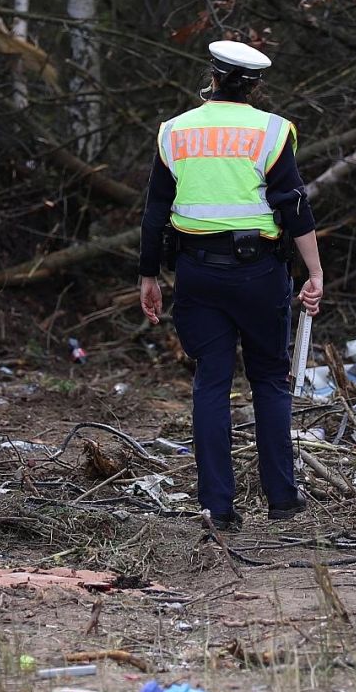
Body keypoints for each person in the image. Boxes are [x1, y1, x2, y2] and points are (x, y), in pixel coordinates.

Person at [138, 40, 324, 532]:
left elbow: (156, 210)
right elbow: (294, 205)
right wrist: (315, 273)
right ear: (256, 85)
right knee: (268, 379)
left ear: (213, 78)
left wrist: (148, 274)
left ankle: (218, 508)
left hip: (197, 273)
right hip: (261, 275)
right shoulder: (272, 131)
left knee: (211, 385)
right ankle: (282, 498)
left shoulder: (173, 132)